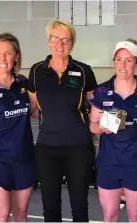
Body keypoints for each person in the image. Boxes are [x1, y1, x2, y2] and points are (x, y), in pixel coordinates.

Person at [27, 20, 98, 222]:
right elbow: (32, 108)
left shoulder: (84, 71)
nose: (60, 45)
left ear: (72, 43)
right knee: (50, 208)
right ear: (49, 41)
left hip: (79, 147)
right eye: (55, 39)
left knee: (79, 206)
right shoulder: (36, 71)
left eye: (66, 40)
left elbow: (97, 106)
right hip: (46, 148)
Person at [89, 38, 137, 222]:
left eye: (128, 60)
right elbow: (93, 125)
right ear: (114, 62)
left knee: (135, 216)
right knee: (110, 215)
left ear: (136, 64)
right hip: (108, 163)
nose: (123, 64)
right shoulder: (101, 91)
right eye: (119, 59)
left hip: (136, 164)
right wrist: (102, 128)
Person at [0, 33, 36, 222]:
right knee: (2, 215)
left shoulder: (23, 82)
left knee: (21, 214)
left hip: (24, 158)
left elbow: (35, 111)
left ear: (16, 56)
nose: (2, 58)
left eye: (8, 53)